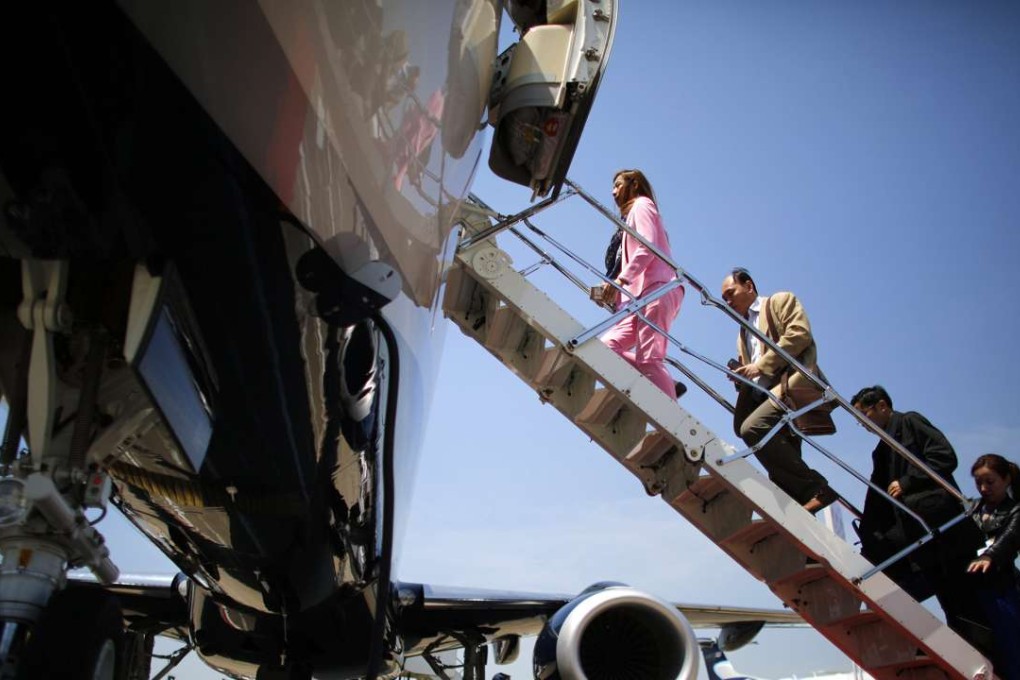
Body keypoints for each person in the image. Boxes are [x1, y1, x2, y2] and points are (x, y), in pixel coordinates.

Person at [850, 385, 990, 653]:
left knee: (966, 603)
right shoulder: (881, 451)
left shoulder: (910, 422)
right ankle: (938, 648)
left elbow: (944, 456)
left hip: (945, 530)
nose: (864, 425)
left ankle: (983, 656)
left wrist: (907, 481)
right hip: (921, 539)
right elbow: (876, 498)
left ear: (882, 406)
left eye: (865, 416)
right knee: (948, 601)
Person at [720, 268, 835, 513]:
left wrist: (758, 366)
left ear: (749, 286)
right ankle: (794, 499)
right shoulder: (743, 332)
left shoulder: (779, 301)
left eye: (730, 294)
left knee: (752, 428)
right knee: (754, 431)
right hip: (766, 392)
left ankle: (816, 489)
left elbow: (799, 335)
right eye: (724, 299)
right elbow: (754, 368)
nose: (728, 302)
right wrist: (742, 376)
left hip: (793, 382)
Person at [596, 169, 684, 399]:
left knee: (649, 359)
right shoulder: (631, 216)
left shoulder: (642, 205)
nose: (613, 191)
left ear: (634, 184)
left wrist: (621, 280)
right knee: (604, 348)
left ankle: (669, 411)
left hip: (658, 288)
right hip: (640, 297)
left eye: (617, 185)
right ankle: (664, 381)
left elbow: (648, 247)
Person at [968, 454, 1020, 680]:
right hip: (972, 585)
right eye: (979, 483)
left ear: (1006, 479)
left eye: (990, 482)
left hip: (1001, 587)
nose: (983, 488)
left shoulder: (1015, 510)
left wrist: (991, 555)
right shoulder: (972, 508)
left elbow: (1011, 536)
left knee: (1010, 646)